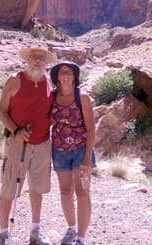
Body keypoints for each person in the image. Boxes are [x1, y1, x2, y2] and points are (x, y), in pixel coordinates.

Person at [0, 43, 56, 245]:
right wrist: (16, 130)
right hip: (17, 143)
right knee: (9, 186)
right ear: (27, 59)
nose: (38, 60)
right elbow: (1, 111)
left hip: (42, 143)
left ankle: (35, 231)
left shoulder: (48, 82)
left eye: (41, 57)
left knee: (37, 187)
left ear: (46, 62)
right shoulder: (15, 81)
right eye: (34, 56)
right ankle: (3, 233)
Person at [49, 62, 96, 245]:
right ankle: (71, 228)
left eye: (69, 72)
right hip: (59, 151)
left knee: (82, 192)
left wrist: (86, 159)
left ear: (75, 77)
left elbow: (91, 129)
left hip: (81, 151)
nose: (66, 75)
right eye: (62, 72)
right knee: (65, 191)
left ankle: (81, 238)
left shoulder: (82, 97)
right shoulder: (52, 97)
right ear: (57, 77)